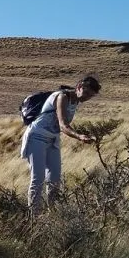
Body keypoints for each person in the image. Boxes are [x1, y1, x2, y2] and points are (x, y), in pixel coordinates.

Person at [21, 75, 101, 214]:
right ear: (79, 87)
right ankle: (34, 216)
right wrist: (79, 136)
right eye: (86, 92)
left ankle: (54, 213)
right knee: (37, 178)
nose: (87, 97)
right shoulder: (62, 97)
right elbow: (63, 125)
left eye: (91, 96)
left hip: (52, 139)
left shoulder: (75, 101)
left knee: (55, 179)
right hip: (37, 136)